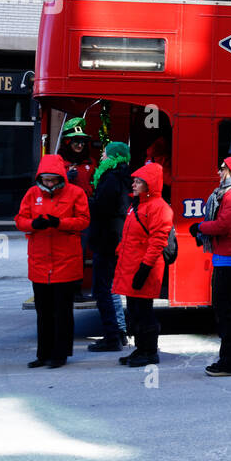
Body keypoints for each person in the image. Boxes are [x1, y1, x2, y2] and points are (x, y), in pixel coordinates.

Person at [15, 154, 90, 369]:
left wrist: (60, 223)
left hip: (65, 261)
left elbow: (84, 221)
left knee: (62, 312)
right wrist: (33, 223)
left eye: (52, 180)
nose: (49, 183)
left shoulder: (76, 193)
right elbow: (20, 220)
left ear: (60, 178)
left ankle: (60, 354)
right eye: (46, 180)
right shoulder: (32, 193)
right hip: (40, 262)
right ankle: (43, 354)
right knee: (43, 312)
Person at [192, 156, 231, 377]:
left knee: (227, 312)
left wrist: (199, 226)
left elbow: (223, 226)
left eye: (222, 168)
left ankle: (230, 363)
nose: (219, 172)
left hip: (230, 259)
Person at [114, 162, 173, 368]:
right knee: (135, 310)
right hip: (133, 266)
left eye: (139, 182)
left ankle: (149, 352)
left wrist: (145, 268)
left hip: (144, 268)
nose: (134, 184)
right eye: (135, 181)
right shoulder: (138, 205)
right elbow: (130, 236)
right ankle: (141, 349)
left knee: (144, 312)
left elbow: (158, 241)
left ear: (150, 185)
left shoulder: (158, 208)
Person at [86, 141, 132, 351]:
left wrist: (86, 201)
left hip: (106, 239)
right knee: (111, 288)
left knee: (103, 289)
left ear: (113, 157)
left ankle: (112, 336)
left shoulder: (110, 179)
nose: (102, 157)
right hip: (113, 238)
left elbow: (101, 208)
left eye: (105, 154)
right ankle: (118, 332)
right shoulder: (121, 178)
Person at [59, 117, 95, 198]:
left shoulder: (91, 162)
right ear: (67, 142)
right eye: (76, 141)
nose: (80, 145)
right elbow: (49, 187)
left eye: (83, 142)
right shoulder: (57, 162)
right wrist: (65, 179)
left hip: (86, 204)